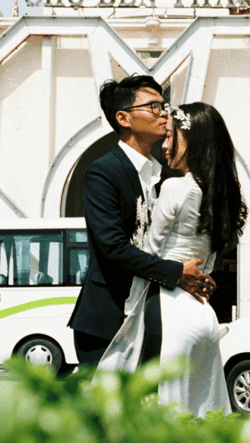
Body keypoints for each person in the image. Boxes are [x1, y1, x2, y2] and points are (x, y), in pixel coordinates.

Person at [100, 102, 247, 417]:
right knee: (204, 414)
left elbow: (152, 252)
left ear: (190, 140)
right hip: (203, 315)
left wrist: (129, 312)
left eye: (170, 136)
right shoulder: (222, 196)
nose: (164, 145)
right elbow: (205, 268)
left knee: (158, 416)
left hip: (167, 311)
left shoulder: (176, 187)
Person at [67, 76, 215, 367]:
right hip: (108, 320)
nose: (164, 113)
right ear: (124, 118)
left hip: (154, 316)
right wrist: (176, 273)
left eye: (164, 106)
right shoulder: (102, 172)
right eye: (153, 106)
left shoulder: (165, 177)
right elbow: (113, 248)